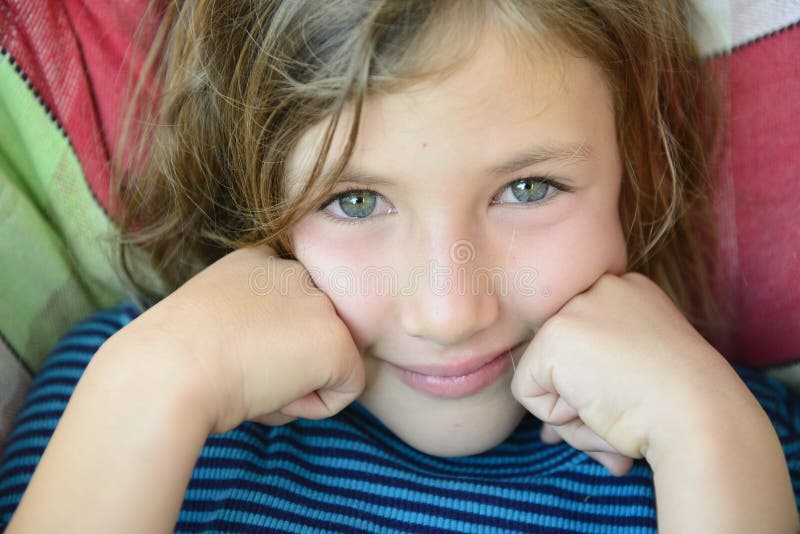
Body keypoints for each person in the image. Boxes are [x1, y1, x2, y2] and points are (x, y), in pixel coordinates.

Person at [1, 0, 799, 532]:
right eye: (354, 202)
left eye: (528, 189)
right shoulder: (130, 396)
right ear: (249, 190)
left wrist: (713, 445)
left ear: (636, 174)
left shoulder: (731, 442)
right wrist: (151, 393)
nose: (450, 312)